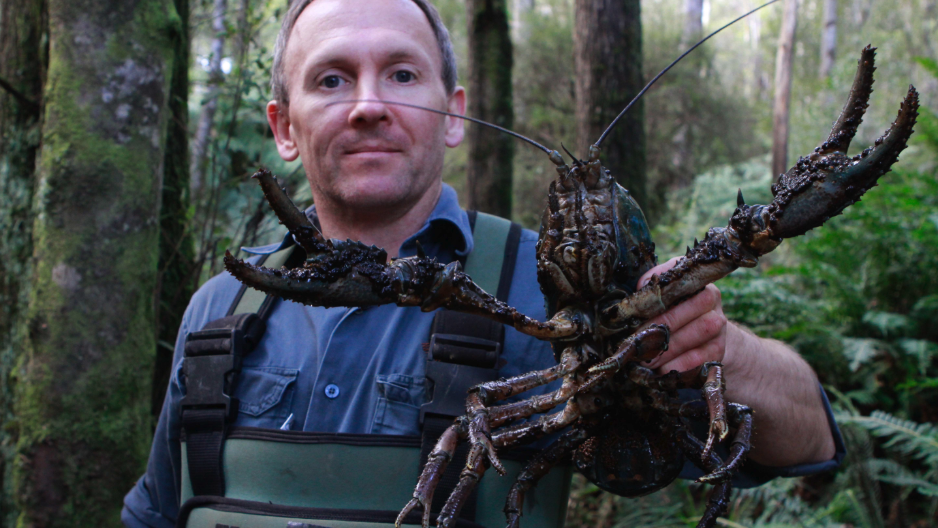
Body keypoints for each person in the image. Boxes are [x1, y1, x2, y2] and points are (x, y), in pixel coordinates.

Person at [122, 0, 842, 526]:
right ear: (283, 127)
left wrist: (724, 350)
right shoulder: (219, 307)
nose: (368, 105)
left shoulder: (550, 291)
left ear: (454, 113)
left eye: (402, 73)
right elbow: (155, 510)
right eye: (332, 79)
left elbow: (811, 442)